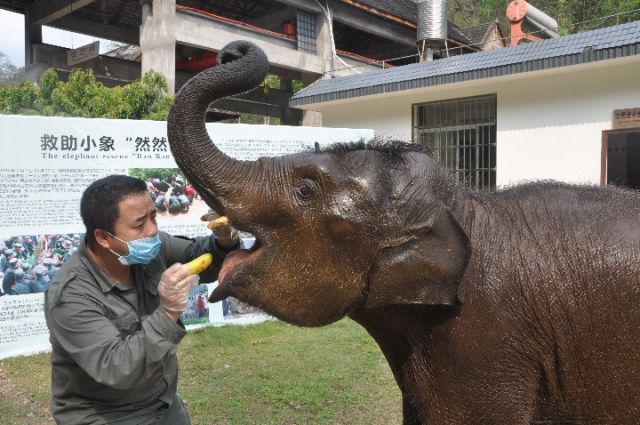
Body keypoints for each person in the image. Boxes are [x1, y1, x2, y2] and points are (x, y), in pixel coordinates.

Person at [44, 175, 239, 425]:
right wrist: (168, 311)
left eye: (153, 217)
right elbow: (117, 369)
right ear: (103, 237)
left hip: (160, 402)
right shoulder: (71, 295)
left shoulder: (149, 249)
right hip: (104, 416)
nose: (153, 230)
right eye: (139, 225)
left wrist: (224, 240)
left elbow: (202, 258)